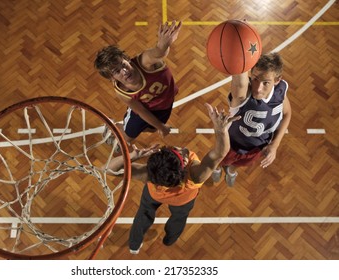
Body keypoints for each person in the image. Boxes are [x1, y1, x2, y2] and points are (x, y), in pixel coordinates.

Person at [103, 103, 240, 254]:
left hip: (153, 194)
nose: (179, 148)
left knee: (143, 214)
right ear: (185, 164)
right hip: (183, 201)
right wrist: (220, 130)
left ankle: (134, 244)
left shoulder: (148, 174)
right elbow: (220, 153)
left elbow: (108, 169)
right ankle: (170, 239)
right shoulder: (195, 175)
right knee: (179, 219)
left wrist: (132, 156)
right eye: (179, 151)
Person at [94, 20, 182, 148]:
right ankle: (116, 130)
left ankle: (117, 125)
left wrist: (164, 44)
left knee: (151, 129)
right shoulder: (122, 92)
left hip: (163, 105)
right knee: (128, 136)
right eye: (117, 71)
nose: (124, 71)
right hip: (142, 112)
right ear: (112, 78)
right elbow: (141, 112)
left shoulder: (145, 62)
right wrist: (161, 127)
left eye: (123, 65)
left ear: (128, 59)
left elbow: (159, 52)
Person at [212, 52, 292, 187]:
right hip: (230, 145)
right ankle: (217, 168)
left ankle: (231, 170)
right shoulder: (243, 94)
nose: (258, 88)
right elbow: (240, 78)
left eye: (266, 82)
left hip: (257, 148)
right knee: (219, 159)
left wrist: (275, 145)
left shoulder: (280, 91)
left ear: (277, 80)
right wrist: (240, 49)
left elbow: (287, 114)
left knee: (239, 164)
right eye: (255, 79)